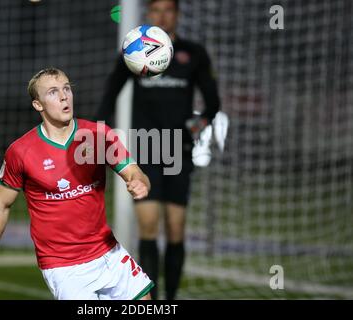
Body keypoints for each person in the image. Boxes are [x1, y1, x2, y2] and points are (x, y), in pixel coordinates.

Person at [0, 67, 154, 300]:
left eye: (67, 88)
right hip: (63, 267)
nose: (63, 96)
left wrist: (139, 181)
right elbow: (0, 206)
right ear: (38, 105)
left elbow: (133, 171)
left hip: (108, 252)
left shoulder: (99, 135)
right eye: (52, 92)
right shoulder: (21, 152)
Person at [95, 0, 221, 299]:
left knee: (176, 229)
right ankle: (153, 302)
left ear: (177, 15)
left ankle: (171, 299)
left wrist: (197, 124)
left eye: (168, 10)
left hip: (179, 151)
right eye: (155, 10)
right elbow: (110, 94)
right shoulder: (133, 53)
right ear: (147, 15)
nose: (161, 16)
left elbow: (213, 104)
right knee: (148, 226)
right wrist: (99, 130)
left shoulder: (194, 54)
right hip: (147, 150)